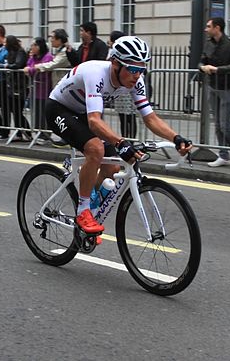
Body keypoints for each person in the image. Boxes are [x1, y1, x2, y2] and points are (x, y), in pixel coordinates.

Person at [47, 35, 193, 235]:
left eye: (141, 69)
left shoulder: (135, 81)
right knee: (96, 149)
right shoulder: (95, 73)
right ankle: (83, 211)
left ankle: (90, 201)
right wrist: (121, 142)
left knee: (113, 165)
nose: (137, 75)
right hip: (59, 109)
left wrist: (176, 138)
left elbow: (150, 118)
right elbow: (94, 121)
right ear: (115, 63)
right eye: (132, 69)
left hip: (83, 114)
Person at [199, 18, 230, 167]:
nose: (206, 29)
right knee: (217, 124)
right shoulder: (209, 43)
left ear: (217, 28)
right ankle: (224, 154)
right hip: (213, 86)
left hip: (227, 87)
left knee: (224, 124)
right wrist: (203, 67)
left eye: (208, 26)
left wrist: (218, 70)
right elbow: (201, 61)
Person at [108, 30, 138, 139]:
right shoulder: (114, 52)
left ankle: (131, 139)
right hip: (120, 90)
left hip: (127, 89)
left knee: (130, 117)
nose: (109, 42)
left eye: (110, 40)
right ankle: (125, 138)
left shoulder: (123, 53)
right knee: (123, 117)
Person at [1, 35, 31, 140]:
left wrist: (6, 66)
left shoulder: (20, 52)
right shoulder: (10, 53)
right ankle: (19, 134)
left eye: (6, 42)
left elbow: (18, 65)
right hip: (12, 86)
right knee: (14, 111)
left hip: (20, 86)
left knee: (18, 111)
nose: (4, 44)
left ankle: (27, 132)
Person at [25, 36, 53, 144]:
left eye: (34, 45)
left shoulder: (48, 56)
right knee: (36, 112)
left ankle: (45, 134)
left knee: (44, 113)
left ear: (39, 46)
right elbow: (28, 65)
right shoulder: (34, 57)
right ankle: (38, 132)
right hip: (35, 89)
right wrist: (31, 69)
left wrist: (31, 70)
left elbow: (38, 70)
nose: (32, 47)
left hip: (45, 89)